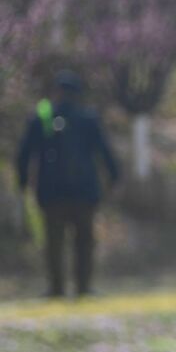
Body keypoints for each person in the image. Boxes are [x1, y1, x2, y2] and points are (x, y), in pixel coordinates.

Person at [15, 71, 119, 298]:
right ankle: (83, 287)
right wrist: (114, 177)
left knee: (54, 243)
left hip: (51, 192)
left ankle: (56, 288)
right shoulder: (88, 119)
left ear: (56, 92)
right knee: (84, 242)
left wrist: (22, 182)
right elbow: (105, 151)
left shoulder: (42, 119)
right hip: (85, 191)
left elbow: (25, 153)